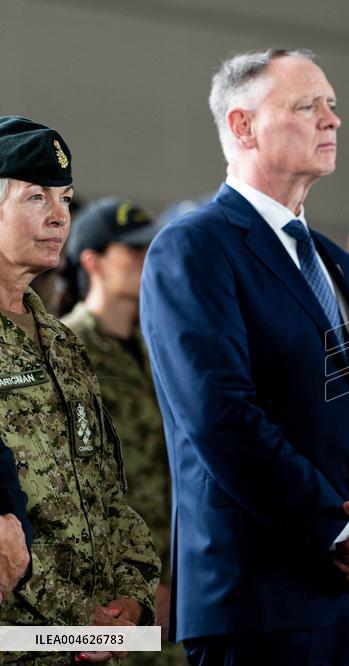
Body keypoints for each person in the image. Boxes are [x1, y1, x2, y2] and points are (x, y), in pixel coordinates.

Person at [140, 49, 349, 665]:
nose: (332, 120)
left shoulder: (338, 263)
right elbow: (221, 416)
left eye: (332, 106)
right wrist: (341, 528)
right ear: (242, 126)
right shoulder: (192, 248)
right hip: (259, 599)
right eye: (307, 106)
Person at [0, 116, 160, 663]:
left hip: (92, 640)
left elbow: (106, 486)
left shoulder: (62, 341)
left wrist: (131, 597)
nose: (57, 217)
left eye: (65, 200)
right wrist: (78, 617)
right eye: (35, 197)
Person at [60, 197, 184, 664]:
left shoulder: (155, 348)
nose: (144, 259)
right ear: (91, 261)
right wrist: (141, 584)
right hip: (112, 591)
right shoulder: (65, 348)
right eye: (130, 251)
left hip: (175, 573)